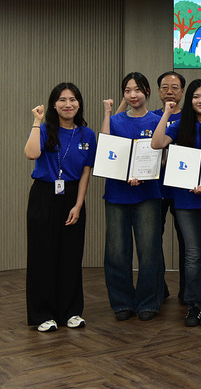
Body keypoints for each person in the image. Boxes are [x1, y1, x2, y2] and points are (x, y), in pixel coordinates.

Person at [152, 78, 201, 327]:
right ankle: (194, 306)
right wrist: (167, 113)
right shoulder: (179, 125)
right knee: (193, 256)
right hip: (186, 199)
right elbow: (156, 143)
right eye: (196, 96)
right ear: (190, 100)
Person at [24, 83, 97, 332]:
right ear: (54, 105)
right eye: (62, 100)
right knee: (42, 255)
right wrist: (37, 122)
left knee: (71, 255)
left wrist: (79, 204)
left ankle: (71, 312)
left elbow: (86, 172)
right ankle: (43, 314)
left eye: (73, 99)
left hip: (73, 197)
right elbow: (31, 154)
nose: (68, 104)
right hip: (44, 195)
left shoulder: (87, 135)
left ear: (79, 104)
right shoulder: (44, 129)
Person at [101, 72, 164, 322]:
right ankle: (121, 303)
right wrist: (107, 113)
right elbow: (106, 149)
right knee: (117, 251)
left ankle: (149, 302)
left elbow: (163, 155)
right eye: (127, 91)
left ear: (147, 91)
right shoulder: (115, 120)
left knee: (149, 251)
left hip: (148, 193)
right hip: (117, 193)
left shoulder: (157, 120)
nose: (133, 95)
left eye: (137, 90)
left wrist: (144, 174)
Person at [152, 71, 187, 304]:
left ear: (183, 92)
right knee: (153, 241)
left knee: (187, 243)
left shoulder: (191, 118)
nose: (169, 92)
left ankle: (187, 290)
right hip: (154, 189)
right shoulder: (151, 117)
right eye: (164, 87)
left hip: (183, 190)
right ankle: (158, 288)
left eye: (175, 87)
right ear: (158, 91)